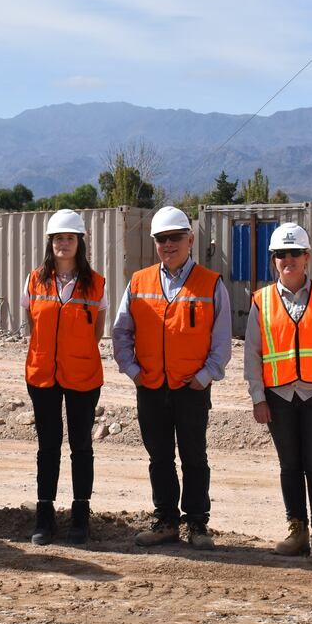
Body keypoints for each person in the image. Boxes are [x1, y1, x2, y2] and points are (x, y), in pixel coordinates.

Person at [113, 206, 232, 551]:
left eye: (175, 238)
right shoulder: (139, 282)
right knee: (159, 457)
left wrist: (206, 376)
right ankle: (165, 520)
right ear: (155, 243)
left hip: (190, 388)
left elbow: (222, 340)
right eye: (162, 239)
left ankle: (197, 523)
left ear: (190, 240)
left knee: (195, 457)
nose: (168, 245)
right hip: (150, 387)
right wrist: (133, 371)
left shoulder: (211, 284)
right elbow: (121, 332)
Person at [244, 223, 312, 559]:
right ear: (274, 260)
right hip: (279, 398)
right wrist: (257, 397)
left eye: (295, 252)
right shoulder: (262, 301)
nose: (288, 259)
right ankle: (296, 529)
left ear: (307, 257)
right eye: (281, 254)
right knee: (289, 466)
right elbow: (252, 353)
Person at [23, 209, 107, 545]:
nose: (63, 244)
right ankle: (44, 518)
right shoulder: (34, 280)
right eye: (58, 238)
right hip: (42, 375)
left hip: (83, 377)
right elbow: (32, 325)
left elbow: (97, 331)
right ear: (50, 242)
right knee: (47, 447)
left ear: (79, 242)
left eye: (69, 238)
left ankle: (80, 518)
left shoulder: (95, 284)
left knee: (81, 446)